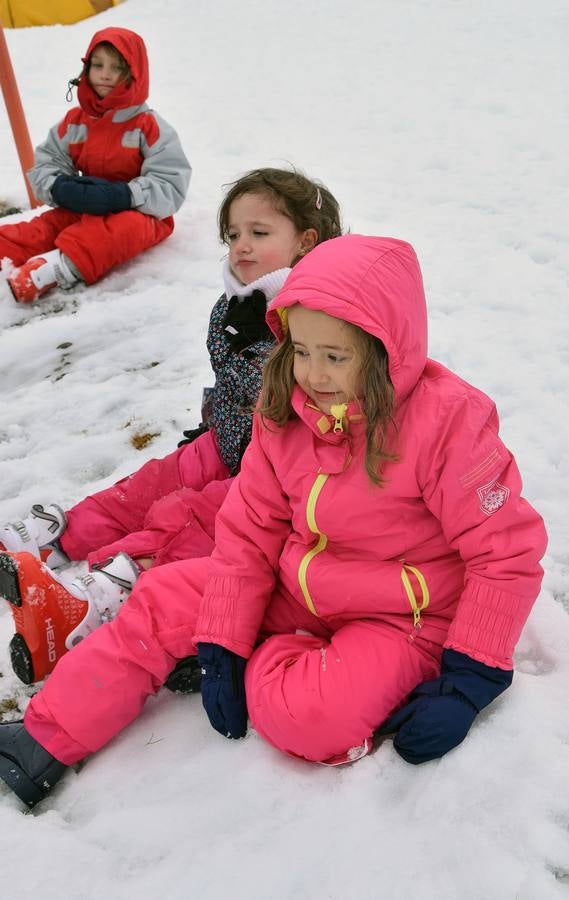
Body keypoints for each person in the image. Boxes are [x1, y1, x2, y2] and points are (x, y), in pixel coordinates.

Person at [0, 234, 547, 809]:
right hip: (300, 586)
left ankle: (281, 662)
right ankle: (44, 741)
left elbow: (505, 551)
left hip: (403, 616)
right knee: (164, 596)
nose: (313, 373)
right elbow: (249, 529)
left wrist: (468, 679)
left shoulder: (446, 425)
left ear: (387, 351)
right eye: (302, 350)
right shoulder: (286, 411)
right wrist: (222, 635)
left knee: (305, 715)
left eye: (335, 356)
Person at [0, 168, 342, 686]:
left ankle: (96, 594)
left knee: (187, 518)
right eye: (232, 235)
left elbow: (301, 410)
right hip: (227, 440)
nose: (241, 247)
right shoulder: (238, 304)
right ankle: (56, 539)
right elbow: (231, 381)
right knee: (149, 483)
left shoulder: (321, 322)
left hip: (279, 479)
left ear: (306, 241)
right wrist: (212, 417)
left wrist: (256, 347)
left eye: (259, 233)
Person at [0, 27, 191, 303]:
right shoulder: (76, 121)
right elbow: (47, 161)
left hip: (139, 213)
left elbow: (170, 183)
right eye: (97, 65)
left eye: (116, 67)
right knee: (39, 229)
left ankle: (59, 267)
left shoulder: (148, 126)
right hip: (84, 205)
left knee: (119, 231)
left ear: (134, 73)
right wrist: (60, 187)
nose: (104, 74)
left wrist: (123, 195)